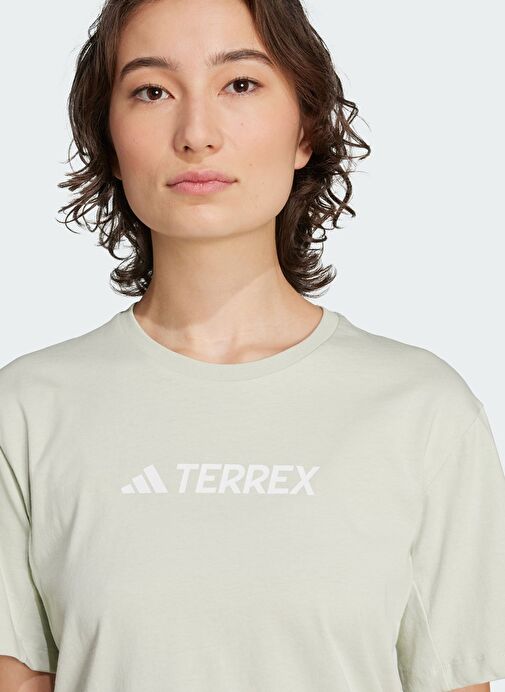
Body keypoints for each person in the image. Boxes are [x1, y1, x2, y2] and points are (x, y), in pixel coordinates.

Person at [0, 0, 504, 690]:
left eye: (239, 84)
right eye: (152, 91)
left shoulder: (423, 409)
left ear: (305, 130)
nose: (196, 134)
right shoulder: (26, 409)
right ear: (109, 140)